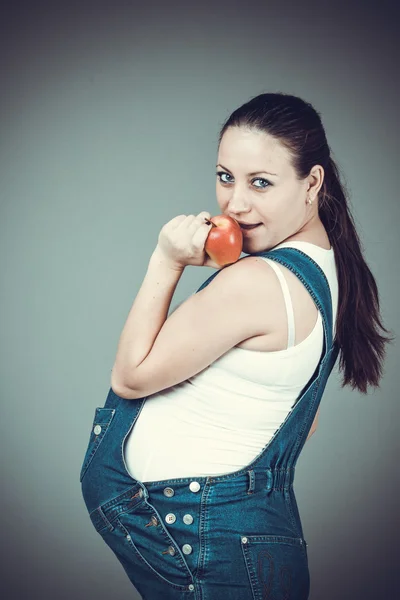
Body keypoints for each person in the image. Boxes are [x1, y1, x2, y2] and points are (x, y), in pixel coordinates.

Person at [80, 93, 393, 600]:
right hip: (234, 545)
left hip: (208, 545)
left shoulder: (258, 280)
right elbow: (301, 420)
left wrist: (166, 258)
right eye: (226, 177)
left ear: (312, 183)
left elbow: (131, 375)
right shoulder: (327, 268)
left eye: (261, 183)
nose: (235, 204)